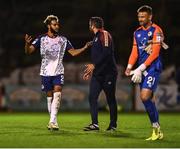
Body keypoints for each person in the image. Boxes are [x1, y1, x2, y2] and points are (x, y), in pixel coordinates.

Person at [25, 15, 90, 131]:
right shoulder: (41, 38)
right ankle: (53, 121)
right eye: (54, 24)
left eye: (58, 24)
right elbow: (29, 51)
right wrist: (26, 44)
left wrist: (84, 47)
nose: (57, 26)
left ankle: (52, 121)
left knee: (58, 92)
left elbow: (73, 52)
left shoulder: (63, 40)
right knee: (49, 97)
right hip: (45, 72)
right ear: (49, 25)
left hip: (58, 71)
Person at [125, 5, 164, 140]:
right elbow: (135, 52)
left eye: (143, 16)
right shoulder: (137, 32)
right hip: (141, 69)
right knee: (148, 98)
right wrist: (130, 66)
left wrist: (140, 68)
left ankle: (156, 128)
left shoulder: (157, 31)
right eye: (139, 17)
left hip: (153, 67)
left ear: (150, 17)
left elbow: (155, 53)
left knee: (144, 96)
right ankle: (157, 129)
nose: (140, 19)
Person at [83, 17, 118, 131]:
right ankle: (95, 124)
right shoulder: (96, 38)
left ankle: (113, 124)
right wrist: (91, 69)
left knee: (110, 99)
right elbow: (98, 57)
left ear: (92, 25)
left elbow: (107, 53)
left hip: (108, 74)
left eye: (90, 24)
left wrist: (94, 65)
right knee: (92, 97)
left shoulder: (104, 34)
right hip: (98, 75)